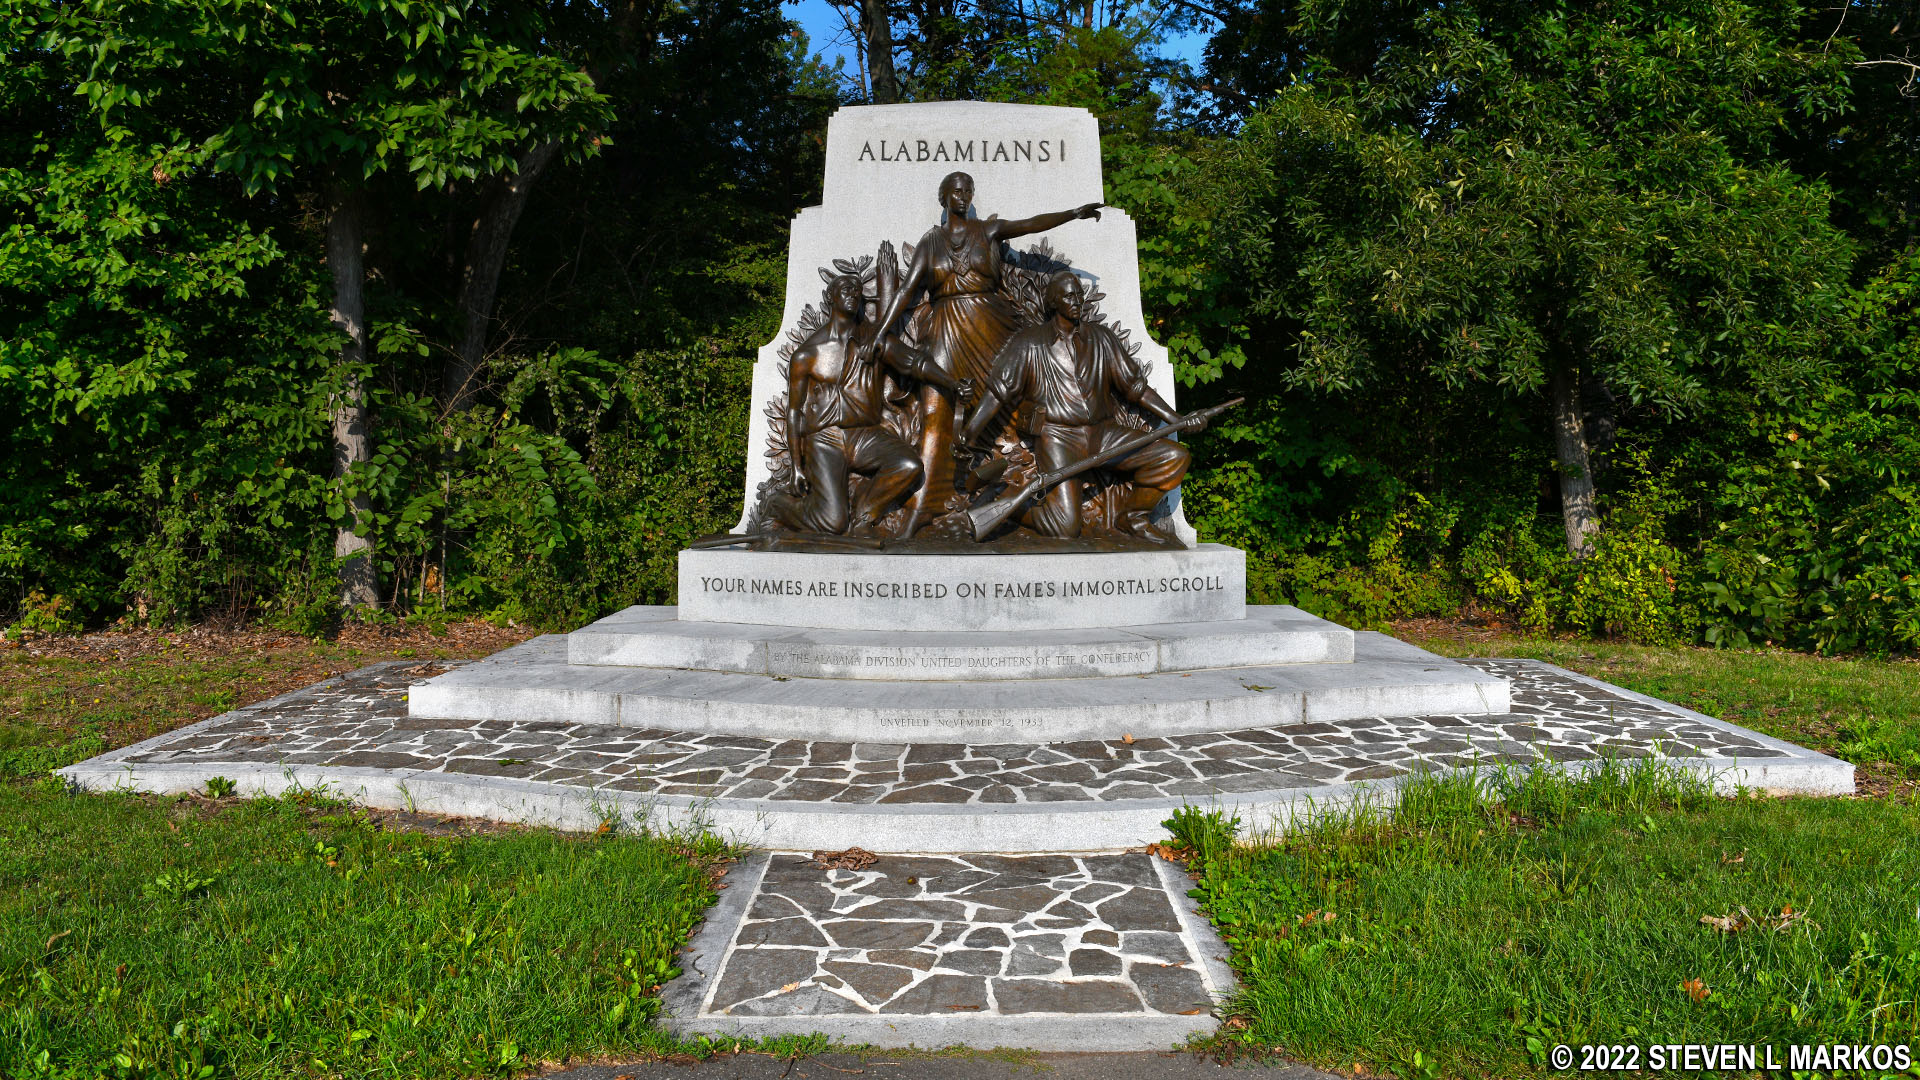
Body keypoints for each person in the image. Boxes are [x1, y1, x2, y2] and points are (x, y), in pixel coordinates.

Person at [865, 171, 1103, 533]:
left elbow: (1030, 224)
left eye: (968, 190)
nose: (963, 196)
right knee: (935, 412)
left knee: (1007, 403)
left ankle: (1024, 490)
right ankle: (926, 503)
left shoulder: (988, 230)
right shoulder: (930, 243)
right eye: (956, 191)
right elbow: (906, 291)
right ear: (943, 197)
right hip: (946, 327)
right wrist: (880, 334)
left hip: (991, 325)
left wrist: (1073, 213)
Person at [958, 272, 1200, 541]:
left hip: (1105, 434)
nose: (1077, 301)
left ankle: (1132, 517)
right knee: (1065, 528)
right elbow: (998, 392)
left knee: (1174, 456)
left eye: (1079, 295)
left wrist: (1177, 419)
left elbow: (1135, 388)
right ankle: (1007, 503)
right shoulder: (1029, 342)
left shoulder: (1101, 338)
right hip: (1060, 439)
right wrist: (969, 433)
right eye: (1069, 295)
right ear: (1053, 302)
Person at [766, 273, 965, 536]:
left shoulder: (873, 338)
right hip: (826, 438)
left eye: (857, 289)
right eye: (845, 288)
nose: (853, 292)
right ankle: (778, 504)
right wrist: (797, 467)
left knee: (908, 465)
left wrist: (952, 383)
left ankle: (864, 516)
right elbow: (794, 412)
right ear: (830, 297)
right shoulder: (808, 354)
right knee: (832, 523)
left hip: (865, 434)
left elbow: (915, 362)